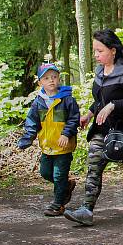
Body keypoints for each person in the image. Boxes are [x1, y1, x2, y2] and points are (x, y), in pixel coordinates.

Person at [64, 29, 123, 226]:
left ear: (113, 50)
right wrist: (89, 114)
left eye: (100, 51)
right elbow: (99, 99)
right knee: (94, 165)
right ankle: (86, 210)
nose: (96, 55)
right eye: (95, 51)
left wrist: (113, 105)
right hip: (103, 129)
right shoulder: (100, 71)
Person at [17, 63, 80, 217]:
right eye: (46, 78)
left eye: (54, 77)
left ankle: (58, 205)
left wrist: (66, 134)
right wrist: (27, 139)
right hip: (47, 146)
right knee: (45, 173)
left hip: (63, 146)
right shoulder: (38, 102)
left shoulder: (67, 100)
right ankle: (65, 186)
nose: (51, 80)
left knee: (59, 175)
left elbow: (74, 119)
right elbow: (32, 123)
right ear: (40, 82)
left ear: (59, 79)